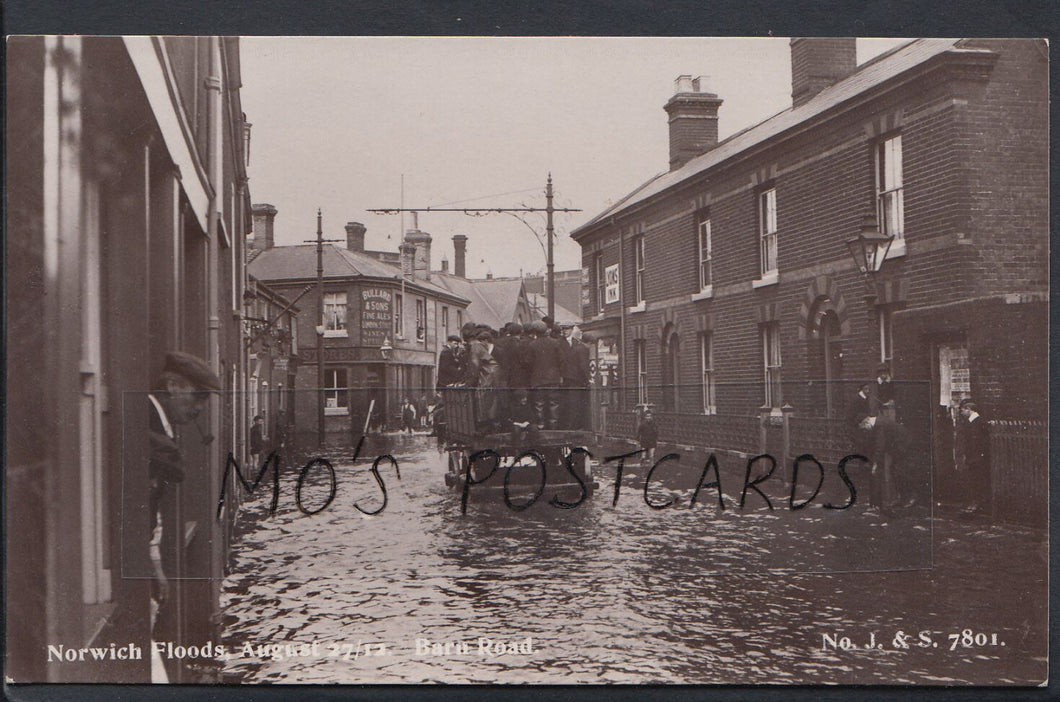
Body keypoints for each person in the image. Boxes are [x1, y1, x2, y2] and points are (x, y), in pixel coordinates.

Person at [146, 351, 221, 680]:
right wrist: (154, 562)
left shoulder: (161, 425)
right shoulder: (149, 425)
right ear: (174, 386)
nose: (200, 406)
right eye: (198, 395)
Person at [957, 398, 991, 516]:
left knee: (978, 480)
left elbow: (982, 441)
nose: (961, 413)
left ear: (969, 409)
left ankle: (978, 503)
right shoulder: (970, 422)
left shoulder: (978, 422)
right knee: (973, 479)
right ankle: (974, 502)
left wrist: (980, 455)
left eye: (962, 410)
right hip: (972, 456)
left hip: (978, 457)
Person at [528, 320, 562, 429]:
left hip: (537, 380)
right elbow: (561, 359)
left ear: (535, 332)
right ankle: (554, 426)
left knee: (539, 404)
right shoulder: (555, 343)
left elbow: (528, 362)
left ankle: (541, 425)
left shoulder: (532, 345)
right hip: (553, 379)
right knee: (554, 403)